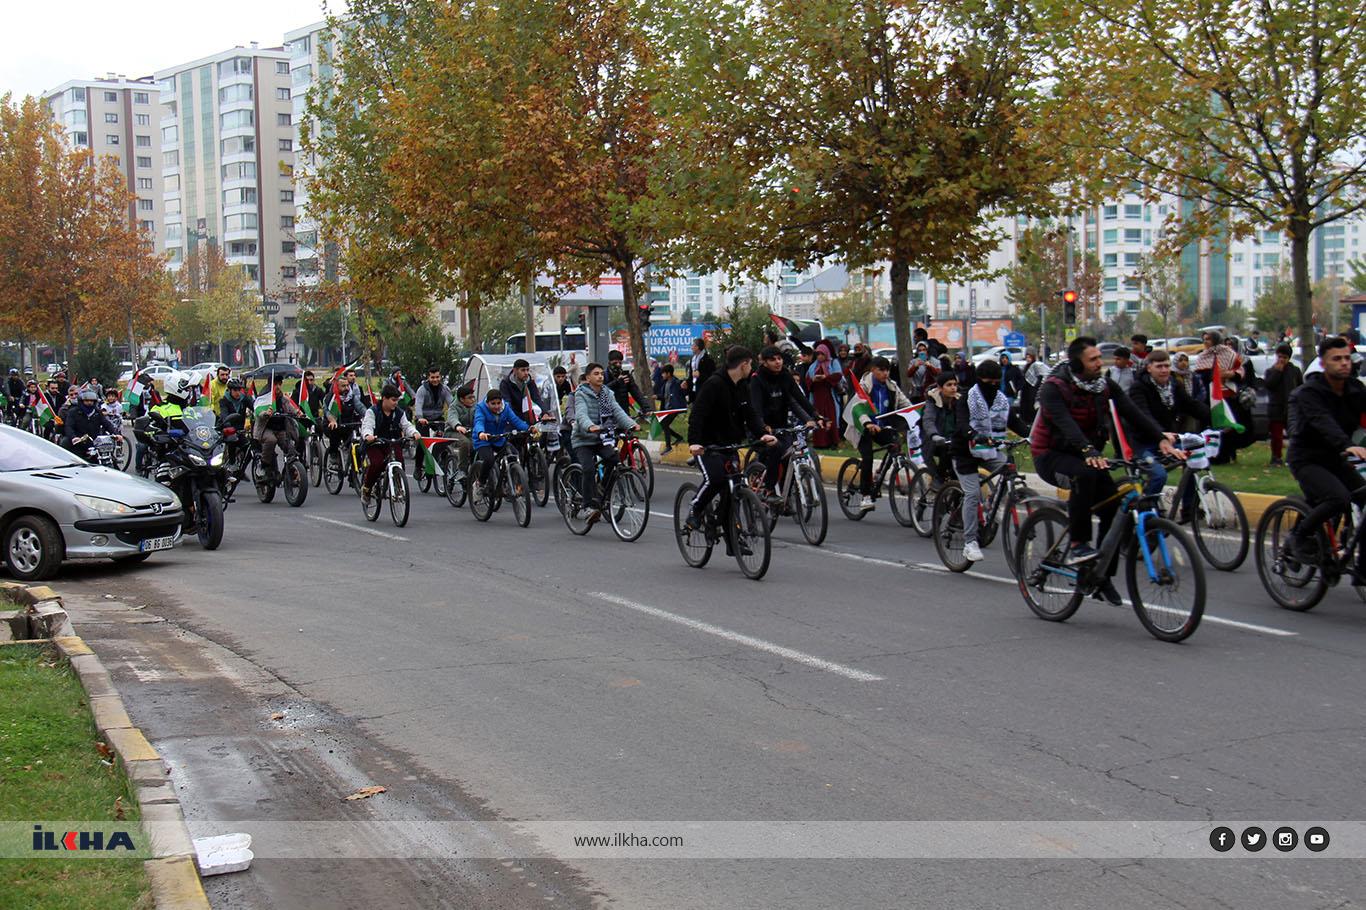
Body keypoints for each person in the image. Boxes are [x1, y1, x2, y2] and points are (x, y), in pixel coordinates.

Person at [1030, 337, 1177, 604]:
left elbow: (1132, 413)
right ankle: (1078, 545)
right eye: (1093, 359)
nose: (1100, 363)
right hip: (1051, 454)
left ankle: (1100, 578)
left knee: (1114, 508)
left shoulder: (1103, 385)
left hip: (1089, 454)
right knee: (1083, 475)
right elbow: (1065, 424)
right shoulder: (1055, 387)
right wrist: (1088, 450)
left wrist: (1160, 439)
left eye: (1100, 357)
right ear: (1077, 363)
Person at [1284, 337, 1366, 570]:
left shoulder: (1355, 389)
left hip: (1337, 459)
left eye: (1347, 358)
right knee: (1339, 499)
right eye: (1337, 359)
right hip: (1307, 459)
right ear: (1323, 363)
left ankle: (1362, 567)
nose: (1344, 363)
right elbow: (1322, 421)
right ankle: (1299, 537)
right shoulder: (1309, 392)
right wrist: (1346, 444)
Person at [684, 346, 774, 536]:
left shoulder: (742, 386)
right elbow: (697, 415)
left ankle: (730, 539)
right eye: (750, 364)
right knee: (716, 478)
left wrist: (762, 434)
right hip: (707, 446)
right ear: (743, 364)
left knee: (732, 488)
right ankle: (696, 509)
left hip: (730, 444)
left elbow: (750, 414)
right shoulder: (714, 384)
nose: (752, 368)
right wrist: (694, 442)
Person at [952, 359, 1029, 560]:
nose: (993, 386)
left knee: (1009, 469)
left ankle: (991, 505)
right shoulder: (967, 398)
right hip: (965, 451)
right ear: (979, 380)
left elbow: (1015, 423)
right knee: (971, 493)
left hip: (991, 450)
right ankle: (970, 542)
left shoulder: (1001, 401)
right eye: (989, 382)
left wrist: (1031, 435)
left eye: (997, 382)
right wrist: (973, 434)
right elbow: (961, 423)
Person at [1126, 349, 1208, 514]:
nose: (1164, 370)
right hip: (1143, 442)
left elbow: (1191, 405)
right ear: (1149, 368)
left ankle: (1189, 507)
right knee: (1159, 475)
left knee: (1195, 457)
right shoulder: (1138, 388)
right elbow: (1144, 416)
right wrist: (1160, 434)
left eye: (1167, 366)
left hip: (1168, 438)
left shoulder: (1173, 384)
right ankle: (1147, 511)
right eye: (1159, 366)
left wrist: (1217, 419)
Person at [570, 363, 638, 521]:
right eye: (595, 374)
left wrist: (631, 424)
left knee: (615, 459)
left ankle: (601, 489)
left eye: (601, 373)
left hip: (602, 438)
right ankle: (587, 507)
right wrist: (590, 426)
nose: (600, 376)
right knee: (588, 469)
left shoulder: (607, 393)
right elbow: (581, 414)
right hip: (583, 439)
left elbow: (617, 410)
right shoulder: (581, 394)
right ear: (588, 378)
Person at [749, 346, 818, 498]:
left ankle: (784, 498)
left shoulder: (785, 376)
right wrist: (762, 426)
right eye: (772, 359)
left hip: (781, 426)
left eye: (779, 358)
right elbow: (756, 407)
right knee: (776, 449)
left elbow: (798, 399)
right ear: (765, 362)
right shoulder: (757, 379)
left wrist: (814, 415)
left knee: (789, 458)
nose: (777, 362)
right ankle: (770, 489)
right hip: (761, 428)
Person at [849, 356, 914, 512]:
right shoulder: (864, 386)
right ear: (873, 370)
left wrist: (915, 415)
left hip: (881, 427)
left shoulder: (892, 387)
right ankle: (865, 496)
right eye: (881, 370)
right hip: (863, 427)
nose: (886, 373)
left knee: (895, 444)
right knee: (868, 457)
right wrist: (868, 423)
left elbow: (905, 404)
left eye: (888, 370)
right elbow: (857, 408)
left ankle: (880, 474)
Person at [359, 383, 422, 504]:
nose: (396, 403)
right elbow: (367, 426)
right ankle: (367, 489)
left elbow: (406, 425)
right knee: (377, 464)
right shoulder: (372, 411)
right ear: (384, 398)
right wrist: (368, 436)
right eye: (393, 400)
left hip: (392, 442)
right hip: (375, 443)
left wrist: (414, 433)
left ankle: (399, 487)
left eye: (397, 400)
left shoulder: (399, 412)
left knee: (399, 460)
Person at [470, 389, 530, 498]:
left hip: (499, 439)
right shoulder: (481, 408)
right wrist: (481, 432)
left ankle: (511, 482)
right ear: (487, 403)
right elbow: (479, 421)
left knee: (514, 454)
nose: (497, 406)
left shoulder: (505, 408)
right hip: (483, 440)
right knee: (489, 460)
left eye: (498, 403)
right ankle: (480, 483)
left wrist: (529, 428)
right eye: (493, 404)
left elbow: (515, 421)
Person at [252, 381, 303, 482]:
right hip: (266, 429)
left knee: (290, 446)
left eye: (279, 384)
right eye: (276, 384)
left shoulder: (283, 399)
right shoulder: (264, 398)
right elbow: (258, 411)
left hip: (281, 429)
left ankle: (291, 470)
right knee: (271, 440)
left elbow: (291, 408)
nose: (278, 386)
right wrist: (266, 413)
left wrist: (298, 413)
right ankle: (264, 465)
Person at [1264, 343, 1302, 467]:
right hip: (1276, 408)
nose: (1281, 360)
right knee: (1276, 436)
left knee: (1294, 434)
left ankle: (1294, 457)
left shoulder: (1295, 371)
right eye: (1279, 356)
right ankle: (1276, 457)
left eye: (1284, 357)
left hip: (1291, 408)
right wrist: (1277, 372)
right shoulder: (1271, 371)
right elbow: (1269, 385)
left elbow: (1300, 387)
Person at [921, 374, 960, 486]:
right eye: (949, 385)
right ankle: (937, 479)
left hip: (953, 439)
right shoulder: (932, 402)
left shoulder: (959, 401)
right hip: (933, 441)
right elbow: (928, 421)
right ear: (940, 388)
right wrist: (934, 435)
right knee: (946, 451)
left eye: (955, 385)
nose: (953, 388)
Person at [61, 387, 119, 459]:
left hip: (94, 442)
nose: (89, 403)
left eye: (92, 401)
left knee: (111, 460)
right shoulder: (73, 412)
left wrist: (116, 434)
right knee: (65, 444)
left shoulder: (97, 412)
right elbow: (68, 427)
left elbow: (106, 423)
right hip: (78, 442)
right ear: (81, 401)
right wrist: (74, 437)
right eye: (87, 400)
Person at [805, 339, 843, 448]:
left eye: (822, 354)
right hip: (817, 396)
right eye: (818, 354)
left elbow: (838, 375)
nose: (820, 357)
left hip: (829, 395)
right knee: (818, 417)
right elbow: (808, 379)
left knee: (831, 417)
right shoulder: (813, 366)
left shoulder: (832, 362)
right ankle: (820, 442)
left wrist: (826, 377)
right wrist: (813, 380)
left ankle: (833, 441)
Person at [499, 358, 546, 424]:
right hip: (513, 417)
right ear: (515, 370)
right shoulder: (506, 383)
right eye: (523, 370)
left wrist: (545, 412)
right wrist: (515, 419)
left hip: (529, 415)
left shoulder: (530, 382)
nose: (526, 373)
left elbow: (537, 398)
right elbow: (507, 403)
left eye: (527, 370)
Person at [606, 350, 650, 418]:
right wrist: (617, 382)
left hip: (624, 412)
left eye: (620, 363)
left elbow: (636, 393)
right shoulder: (604, 375)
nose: (618, 365)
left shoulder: (626, 375)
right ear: (609, 362)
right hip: (608, 413)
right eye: (615, 363)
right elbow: (602, 390)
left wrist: (646, 408)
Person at [446, 385, 477, 481]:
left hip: (469, 433)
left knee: (479, 443)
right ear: (462, 399)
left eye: (473, 397)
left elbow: (479, 417)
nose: (472, 400)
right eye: (469, 398)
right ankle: (461, 470)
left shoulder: (475, 406)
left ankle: (475, 468)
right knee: (465, 443)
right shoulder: (454, 406)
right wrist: (457, 426)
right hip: (452, 432)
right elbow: (452, 418)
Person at [657, 364, 686, 453]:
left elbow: (682, 393)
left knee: (664, 424)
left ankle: (668, 446)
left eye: (663, 373)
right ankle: (679, 437)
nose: (662, 375)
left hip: (674, 408)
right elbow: (664, 396)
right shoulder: (665, 383)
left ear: (669, 374)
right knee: (663, 424)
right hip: (667, 408)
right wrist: (657, 396)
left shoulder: (676, 383)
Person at [414, 366, 453, 431]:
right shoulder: (421, 390)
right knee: (423, 438)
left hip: (438, 418)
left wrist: (454, 417)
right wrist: (420, 417)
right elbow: (418, 405)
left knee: (443, 435)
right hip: (424, 418)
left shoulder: (445, 389)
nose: (435, 380)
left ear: (440, 377)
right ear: (428, 378)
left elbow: (452, 404)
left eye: (437, 377)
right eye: (432, 377)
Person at [683, 338, 715, 403]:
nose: (691, 348)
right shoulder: (692, 358)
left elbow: (712, 375)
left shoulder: (708, 359)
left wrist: (700, 375)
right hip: (693, 389)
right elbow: (692, 375)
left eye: (692, 345)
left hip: (704, 390)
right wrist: (686, 382)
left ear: (697, 347)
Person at [1020, 350, 1048, 419]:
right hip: (1026, 390)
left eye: (1029, 357)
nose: (1028, 359)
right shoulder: (1026, 366)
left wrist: (1036, 386)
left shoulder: (1036, 365)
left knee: (1031, 406)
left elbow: (1040, 376)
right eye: (1027, 357)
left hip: (1033, 390)